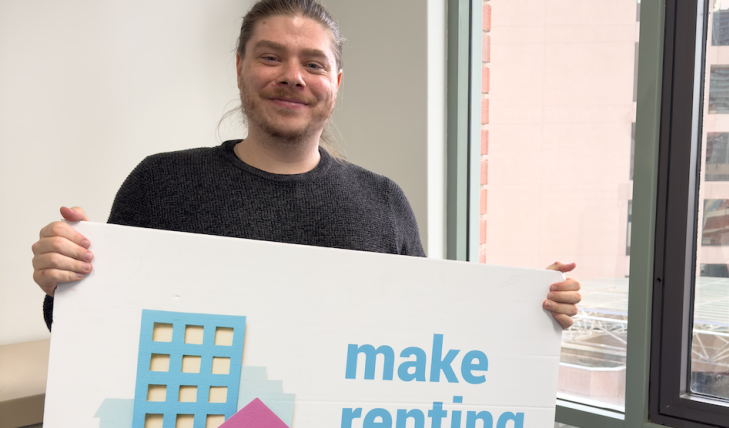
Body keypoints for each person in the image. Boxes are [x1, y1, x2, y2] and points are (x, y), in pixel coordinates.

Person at [30, 0, 581, 330]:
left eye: (313, 63)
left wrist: (526, 314)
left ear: (335, 85)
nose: (292, 76)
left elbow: (425, 336)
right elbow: (97, 333)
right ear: (241, 68)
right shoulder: (161, 182)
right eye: (271, 57)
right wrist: (64, 284)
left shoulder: (384, 202)